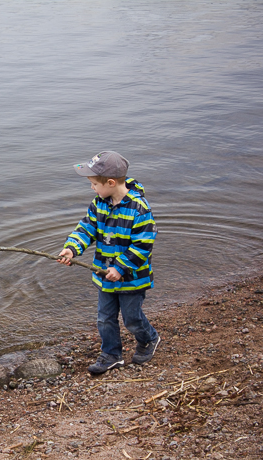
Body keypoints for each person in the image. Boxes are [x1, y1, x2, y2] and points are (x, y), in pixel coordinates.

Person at [57, 151, 160, 374]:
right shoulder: (99, 203)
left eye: (95, 184)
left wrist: (121, 267)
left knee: (132, 318)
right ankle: (111, 354)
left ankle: (149, 338)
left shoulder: (139, 208)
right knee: (104, 318)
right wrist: (72, 248)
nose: (92, 188)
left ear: (111, 182)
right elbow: (87, 228)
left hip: (132, 278)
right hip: (104, 275)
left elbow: (143, 244)